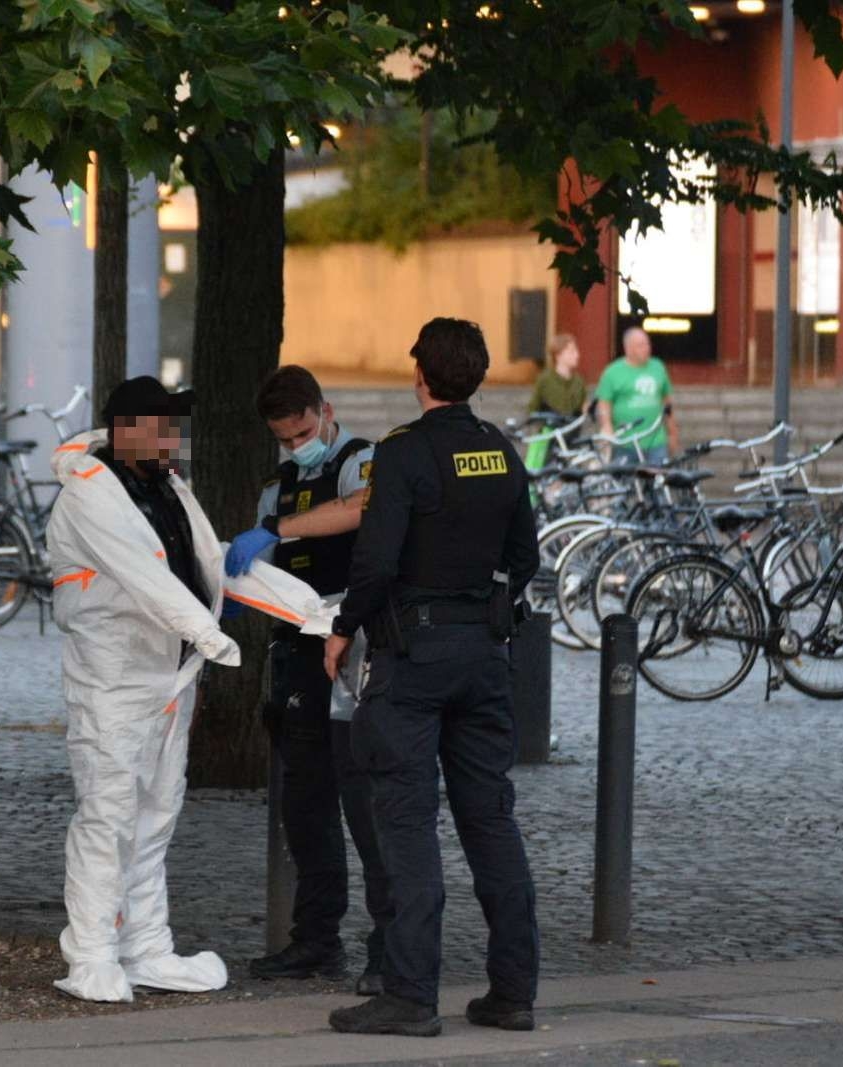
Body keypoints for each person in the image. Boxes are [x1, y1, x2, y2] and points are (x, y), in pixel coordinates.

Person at [322, 318, 540, 1038]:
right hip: (485, 655)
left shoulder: (404, 452)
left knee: (407, 824)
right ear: (476, 376)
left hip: (413, 660)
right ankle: (513, 992)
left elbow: (376, 560)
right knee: (491, 820)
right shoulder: (500, 451)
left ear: (421, 374)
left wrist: (343, 627)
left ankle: (411, 994)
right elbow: (526, 556)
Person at [45, 376, 240, 1004]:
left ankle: (147, 947)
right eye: (162, 427)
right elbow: (143, 576)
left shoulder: (166, 486)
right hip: (114, 679)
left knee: (157, 813)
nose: (173, 439)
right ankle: (93, 952)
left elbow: (193, 564)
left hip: (168, 674)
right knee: (108, 815)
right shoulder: (90, 495)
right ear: (127, 431)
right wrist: (210, 635)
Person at [222, 365, 392, 997]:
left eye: (302, 433)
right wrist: (234, 592)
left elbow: (358, 513)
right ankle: (316, 938)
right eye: (284, 439)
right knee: (305, 802)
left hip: (356, 646)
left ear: (326, 411)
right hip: (298, 649)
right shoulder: (278, 488)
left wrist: (276, 531)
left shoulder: (360, 463)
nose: (296, 447)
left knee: (366, 800)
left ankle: (389, 945)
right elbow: (261, 565)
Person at [594, 327, 678, 465]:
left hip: (656, 441)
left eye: (647, 344)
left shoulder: (658, 367)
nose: (646, 348)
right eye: (640, 345)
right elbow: (604, 403)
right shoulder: (612, 372)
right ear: (628, 348)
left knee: (658, 477)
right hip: (624, 442)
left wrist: (672, 432)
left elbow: (667, 402)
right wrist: (606, 426)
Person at [526, 334, 586, 418]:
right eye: (571, 352)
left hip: (573, 424)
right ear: (558, 355)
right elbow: (532, 409)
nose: (577, 355)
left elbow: (583, 408)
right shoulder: (545, 380)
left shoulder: (579, 382)